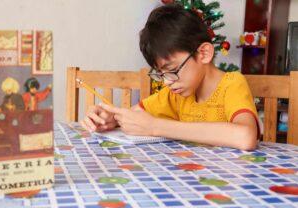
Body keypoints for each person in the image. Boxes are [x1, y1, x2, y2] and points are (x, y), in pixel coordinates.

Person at [80, 4, 259, 151]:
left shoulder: (232, 84)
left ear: (204, 53)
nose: (167, 81)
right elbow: (135, 117)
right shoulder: (175, 94)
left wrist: (155, 127)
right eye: (161, 73)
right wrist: (110, 119)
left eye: (172, 69)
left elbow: (246, 136)